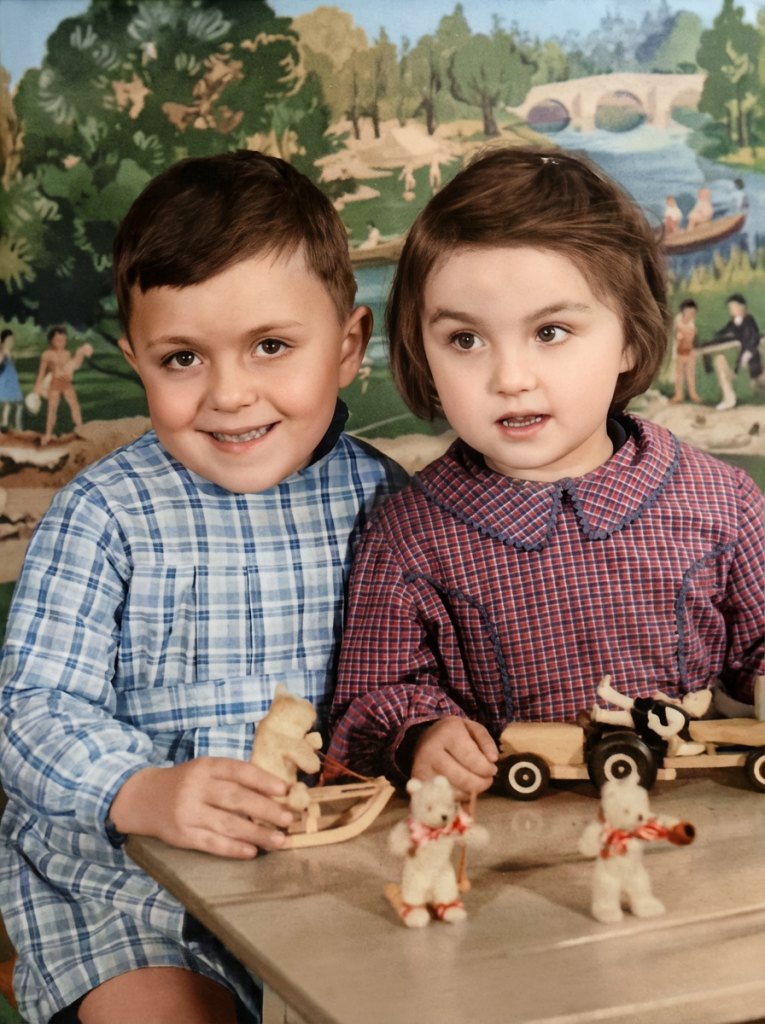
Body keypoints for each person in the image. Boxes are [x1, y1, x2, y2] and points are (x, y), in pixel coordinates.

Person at [0, 151, 407, 1024]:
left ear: (347, 348)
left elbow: (430, 671)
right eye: (182, 357)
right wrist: (140, 791)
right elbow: (31, 709)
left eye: (270, 347)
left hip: (334, 877)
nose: (229, 395)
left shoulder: (388, 504)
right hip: (130, 897)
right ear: (136, 359)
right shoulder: (104, 511)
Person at [326, 147, 764, 797]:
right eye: (465, 340)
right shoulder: (407, 536)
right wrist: (420, 735)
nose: (509, 378)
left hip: (691, 826)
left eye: (550, 331)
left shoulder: (720, 501)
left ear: (629, 340)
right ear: (421, 352)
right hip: (509, 846)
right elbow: (371, 700)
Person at [32, 326, 93, 445]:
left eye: (63, 340)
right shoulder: (47, 354)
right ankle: (48, 434)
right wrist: (37, 389)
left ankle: (80, 429)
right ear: (51, 341)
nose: (61, 342)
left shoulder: (66, 353)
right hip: (54, 384)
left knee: (74, 405)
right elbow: (41, 373)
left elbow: (72, 367)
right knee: (52, 409)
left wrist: (80, 354)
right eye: (58, 340)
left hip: (66, 383)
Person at [715, 293, 763, 394]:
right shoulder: (733, 322)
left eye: (733, 307)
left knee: (755, 375)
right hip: (742, 351)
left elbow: (755, 336)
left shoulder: (749, 320)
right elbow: (724, 331)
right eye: (730, 308)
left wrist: (749, 351)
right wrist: (718, 334)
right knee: (741, 370)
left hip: (751, 351)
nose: (731, 310)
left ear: (741, 307)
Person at [670, 299, 701, 404]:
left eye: (692, 313)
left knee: (690, 374)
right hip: (680, 353)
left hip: (690, 353)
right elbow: (676, 339)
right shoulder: (679, 324)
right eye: (688, 312)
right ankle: (679, 394)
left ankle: (693, 393)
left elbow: (695, 339)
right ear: (683, 312)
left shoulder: (693, 325)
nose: (690, 315)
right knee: (679, 375)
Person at [0, 328, 23, 432]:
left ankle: (5, 423)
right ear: (4, 340)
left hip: (11, 380)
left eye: (12, 340)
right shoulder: (2, 350)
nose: (11, 342)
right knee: (18, 403)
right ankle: (17, 427)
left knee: (10, 404)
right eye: (9, 340)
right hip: (6, 381)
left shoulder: (9, 350)